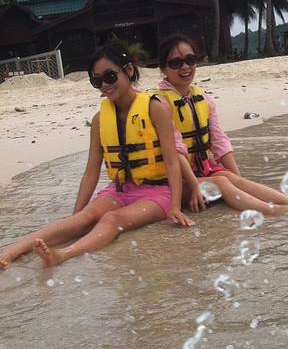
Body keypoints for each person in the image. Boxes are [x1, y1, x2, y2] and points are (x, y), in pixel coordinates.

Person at [0, 44, 192, 270]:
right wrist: (76, 215)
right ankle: (11, 251)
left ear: (129, 70)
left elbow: (172, 161)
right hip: (120, 189)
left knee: (112, 219)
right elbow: (91, 172)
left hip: (159, 192)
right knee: (84, 218)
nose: (105, 85)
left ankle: (62, 255)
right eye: (97, 81)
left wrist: (175, 206)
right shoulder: (100, 120)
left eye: (110, 77)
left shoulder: (155, 108)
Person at [153, 35, 288, 217]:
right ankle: (276, 211)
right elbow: (176, 150)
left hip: (201, 169)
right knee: (223, 182)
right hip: (176, 178)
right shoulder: (160, 104)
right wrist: (195, 184)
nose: (185, 67)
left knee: (230, 178)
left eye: (190, 60)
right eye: (176, 63)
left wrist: (238, 178)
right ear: (163, 68)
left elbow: (219, 141)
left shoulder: (204, 99)